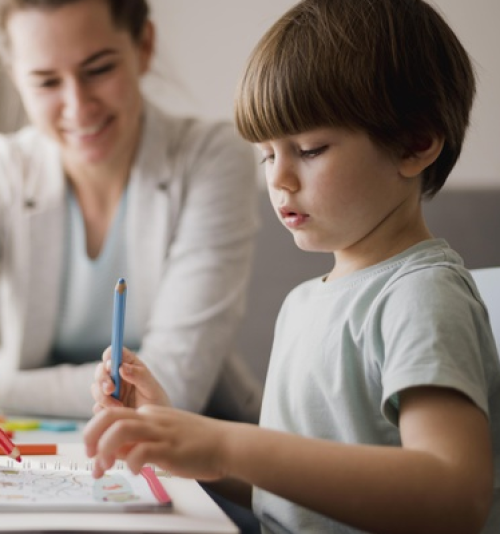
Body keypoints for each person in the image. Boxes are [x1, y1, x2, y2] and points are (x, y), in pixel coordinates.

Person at [84, 0, 500, 533]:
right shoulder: (304, 303)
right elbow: (289, 493)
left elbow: (453, 494)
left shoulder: (420, 296)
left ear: (415, 143)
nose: (278, 180)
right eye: (266, 155)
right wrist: (178, 439)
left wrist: (228, 442)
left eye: (308, 149)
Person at [0, 0, 262, 422]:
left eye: (99, 69)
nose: (78, 106)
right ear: (16, 78)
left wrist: (7, 386)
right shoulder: (7, 171)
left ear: (144, 46)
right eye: (47, 82)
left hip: (198, 447)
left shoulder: (211, 159)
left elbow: (171, 386)